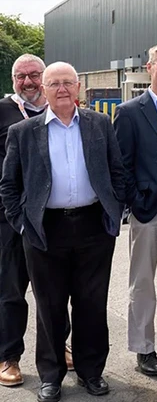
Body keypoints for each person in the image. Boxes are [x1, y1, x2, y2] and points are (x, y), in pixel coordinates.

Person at [0, 62, 128, 402]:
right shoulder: (24, 132)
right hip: (44, 230)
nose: (61, 89)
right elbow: (9, 186)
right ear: (44, 90)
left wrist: (115, 214)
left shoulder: (100, 124)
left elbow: (117, 171)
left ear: (78, 88)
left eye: (68, 83)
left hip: (93, 227)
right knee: (50, 306)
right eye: (54, 84)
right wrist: (23, 223)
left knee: (91, 304)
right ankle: (51, 376)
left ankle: (91, 372)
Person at [114, 43, 157, 376]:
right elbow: (122, 164)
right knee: (143, 280)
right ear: (149, 67)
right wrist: (135, 202)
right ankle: (143, 347)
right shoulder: (130, 112)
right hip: (149, 207)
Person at [0, 54, 50, 388]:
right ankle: (8, 355)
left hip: (52, 217)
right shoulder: (2, 110)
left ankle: (56, 345)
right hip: (8, 218)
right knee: (10, 290)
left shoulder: (59, 109)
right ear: (13, 79)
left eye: (34, 75)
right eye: (21, 76)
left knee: (55, 290)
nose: (28, 81)